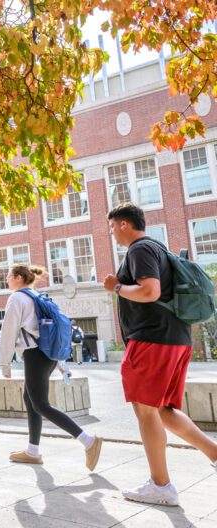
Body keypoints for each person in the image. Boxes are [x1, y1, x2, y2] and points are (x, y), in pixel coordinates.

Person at [104, 202, 217, 506]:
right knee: (163, 410)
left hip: (152, 339)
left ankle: (160, 485)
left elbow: (149, 291)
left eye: (112, 226)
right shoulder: (158, 248)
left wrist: (116, 288)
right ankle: (214, 454)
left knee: (145, 411)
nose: (112, 233)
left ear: (124, 224)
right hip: (176, 338)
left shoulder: (140, 249)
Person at [0, 263, 102, 470]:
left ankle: (88, 441)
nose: (7, 280)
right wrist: (61, 363)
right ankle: (32, 451)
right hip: (48, 354)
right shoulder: (36, 296)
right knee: (31, 400)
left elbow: (8, 332)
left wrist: (5, 364)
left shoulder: (17, 298)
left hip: (35, 354)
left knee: (41, 404)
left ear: (19, 277)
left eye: (9, 276)